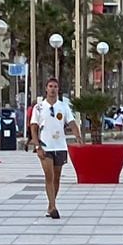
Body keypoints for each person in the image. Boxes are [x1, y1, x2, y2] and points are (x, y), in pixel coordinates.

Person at [28, 76, 77, 221]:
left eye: (55, 86)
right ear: (46, 89)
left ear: (58, 89)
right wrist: (37, 146)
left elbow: (72, 122)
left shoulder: (63, 106)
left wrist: (78, 135)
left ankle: (51, 205)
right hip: (45, 146)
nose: (53, 89)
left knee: (56, 178)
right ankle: (53, 207)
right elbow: (33, 127)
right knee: (49, 176)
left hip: (60, 146)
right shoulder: (39, 107)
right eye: (50, 86)